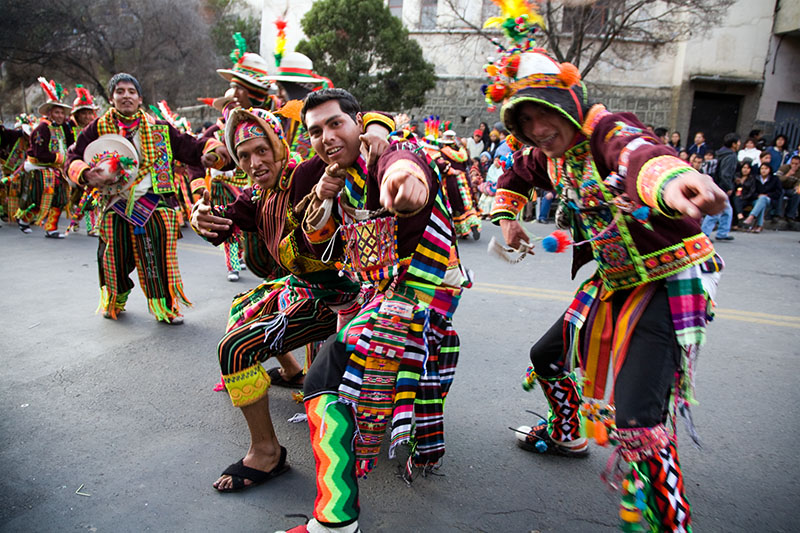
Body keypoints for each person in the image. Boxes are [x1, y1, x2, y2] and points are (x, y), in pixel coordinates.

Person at [483, 6, 726, 530]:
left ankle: (668, 523)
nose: (537, 129)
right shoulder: (547, 154)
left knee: (637, 423)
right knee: (546, 357)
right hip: (613, 283)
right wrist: (506, 217)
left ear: (568, 104)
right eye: (524, 121)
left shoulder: (604, 129)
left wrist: (673, 182)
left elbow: (640, 154)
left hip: (666, 281)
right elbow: (515, 173)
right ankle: (567, 434)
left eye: (542, 114)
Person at [282, 88, 469, 533]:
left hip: (422, 292)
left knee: (323, 379)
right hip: (385, 293)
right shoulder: (337, 178)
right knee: (350, 379)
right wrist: (325, 201)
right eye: (315, 131)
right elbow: (322, 250)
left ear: (358, 122)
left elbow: (405, 162)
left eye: (334, 124)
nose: (326, 137)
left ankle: (336, 519)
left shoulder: (388, 151)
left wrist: (406, 179)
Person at [190, 107, 366, 492]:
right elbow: (225, 222)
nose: (255, 162)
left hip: (338, 297)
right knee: (241, 308)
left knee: (234, 350)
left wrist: (378, 133)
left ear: (278, 146)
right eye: (245, 156)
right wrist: (201, 217)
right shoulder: (259, 193)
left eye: (261, 150)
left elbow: (351, 158)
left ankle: (267, 452)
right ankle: (290, 371)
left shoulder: (304, 173)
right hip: (301, 286)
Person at [66, 72, 231, 324]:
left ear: (140, 98)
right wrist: (87, 174)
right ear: (112, 98)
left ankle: (163, 306)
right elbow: (73, 157)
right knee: (113, 257)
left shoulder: (159, 128)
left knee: (158, 258)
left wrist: (212, 151)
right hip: (115, 201)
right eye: (120, 91)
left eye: (131, 92)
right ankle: (115, 299)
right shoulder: (97, 129)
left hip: (154, 202)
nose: (126, 96)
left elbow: (191, 147)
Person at [22, 78, 75, 238]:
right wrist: (59, 157)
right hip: (41, 169)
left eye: (61, 113)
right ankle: (24, 219)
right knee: (40, 199)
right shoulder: (42, 128)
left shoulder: (61, 128)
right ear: (49, 113)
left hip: (56, 170)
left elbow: (70, 144)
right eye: (56, 112)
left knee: (59, 199)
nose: (60, 115)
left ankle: (51, 228)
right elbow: (39, 153)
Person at [437, 129, 481, 240]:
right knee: (467, 202)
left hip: (451, 180)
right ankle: (473, 223)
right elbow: (467, 164)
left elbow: (443, 166)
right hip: (464, 179)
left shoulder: (443, 152)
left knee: (455, 204)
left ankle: (463, 231)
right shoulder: (462, 151)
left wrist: (451, 170)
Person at [701, 133, 739, 241]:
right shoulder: (730, 156)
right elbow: (725, 174)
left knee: (727, 210)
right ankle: (705, 234)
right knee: (716, 210)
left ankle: (722, 232)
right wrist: (729, 187)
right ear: (734, 144)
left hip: (715, 183)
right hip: (721, 185)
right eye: (738, 142)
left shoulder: (720, 153)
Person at [742, 161, 782, 233]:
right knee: (761, 202)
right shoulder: (755, 178)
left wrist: (767, 195)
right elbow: (751, 191)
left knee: (763, 199)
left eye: (766, 168)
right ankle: (759, 226)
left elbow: (778, 193)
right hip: (756, 199)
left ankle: (751, 216)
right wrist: (758, 195)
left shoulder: (775, 179)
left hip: (770, 200)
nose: (763, 170)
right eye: (762, 168)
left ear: (769, 169)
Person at [776, 155, 800, 222]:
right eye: (792, 163)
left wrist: (797, 187)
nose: (794, 165)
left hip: (790, 189)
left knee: (797, 194)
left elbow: (798, 182)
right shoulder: (784, 168)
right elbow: (777, 180)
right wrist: (788, 175)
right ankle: (778, 215)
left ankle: (790, 215)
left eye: (796, 164)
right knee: (781, 192)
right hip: (780, 187)